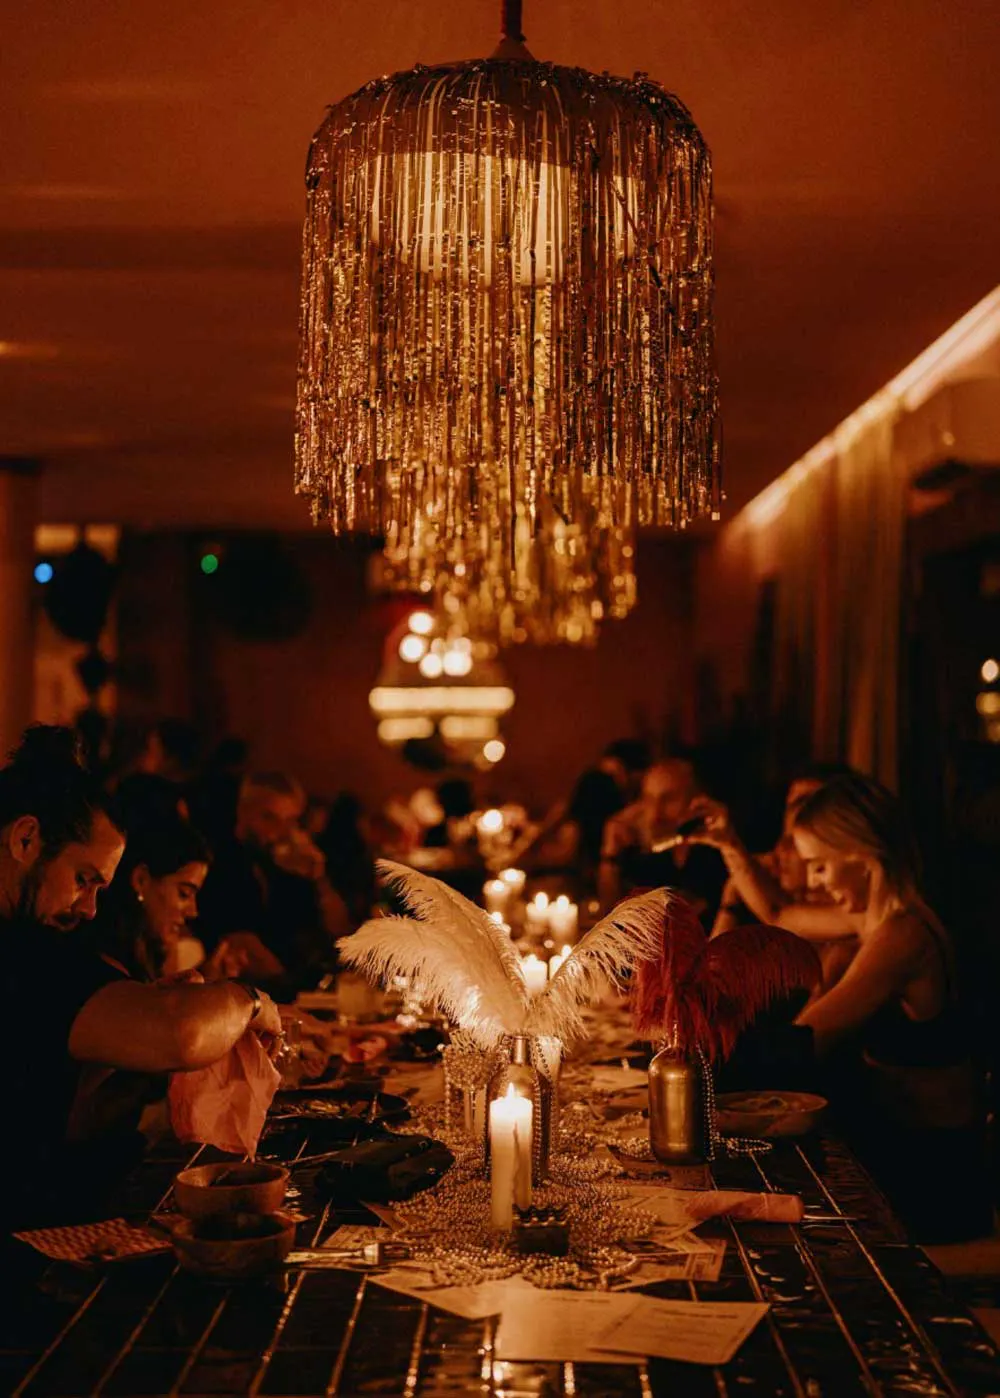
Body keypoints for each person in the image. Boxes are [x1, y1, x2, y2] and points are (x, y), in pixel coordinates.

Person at [0, 726, 283, 1230]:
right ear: (25, 839)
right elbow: (183, 1034)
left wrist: (134, 1013)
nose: (88, 909)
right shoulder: (27, 953)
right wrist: (252, 1000)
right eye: (84, 879)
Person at [689, 772, 992, 1242]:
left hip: (932, 1179)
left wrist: (694, 1049)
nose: (813, 880)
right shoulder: (876, 919)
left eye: (821, 866)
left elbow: (808, 1038)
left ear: (863, 857)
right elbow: (779, 914)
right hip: (899, 1151)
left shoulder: (903, 935)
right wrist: (729, 844)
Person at [196, 770, 351, 986]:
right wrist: (292, 989)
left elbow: (340, 931)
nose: (278, 831)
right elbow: (241, 940)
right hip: (239, 994)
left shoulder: (283, 866)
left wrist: (319, 878)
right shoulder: (220, 861)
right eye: (268, 817)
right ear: (243, 811)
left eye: (289, 821)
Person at [88, 814, 242, 981]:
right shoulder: (105, 967)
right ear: (141, 880)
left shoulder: (151, 957)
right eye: (184, 894)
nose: (193, 912)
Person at [598, 757, 726, 927]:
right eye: (649, 799)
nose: (655, 814)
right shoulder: (647, 855)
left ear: (696, 800)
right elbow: (608, 919)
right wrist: (610, 852)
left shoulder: (718, 853)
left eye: (668, 800)